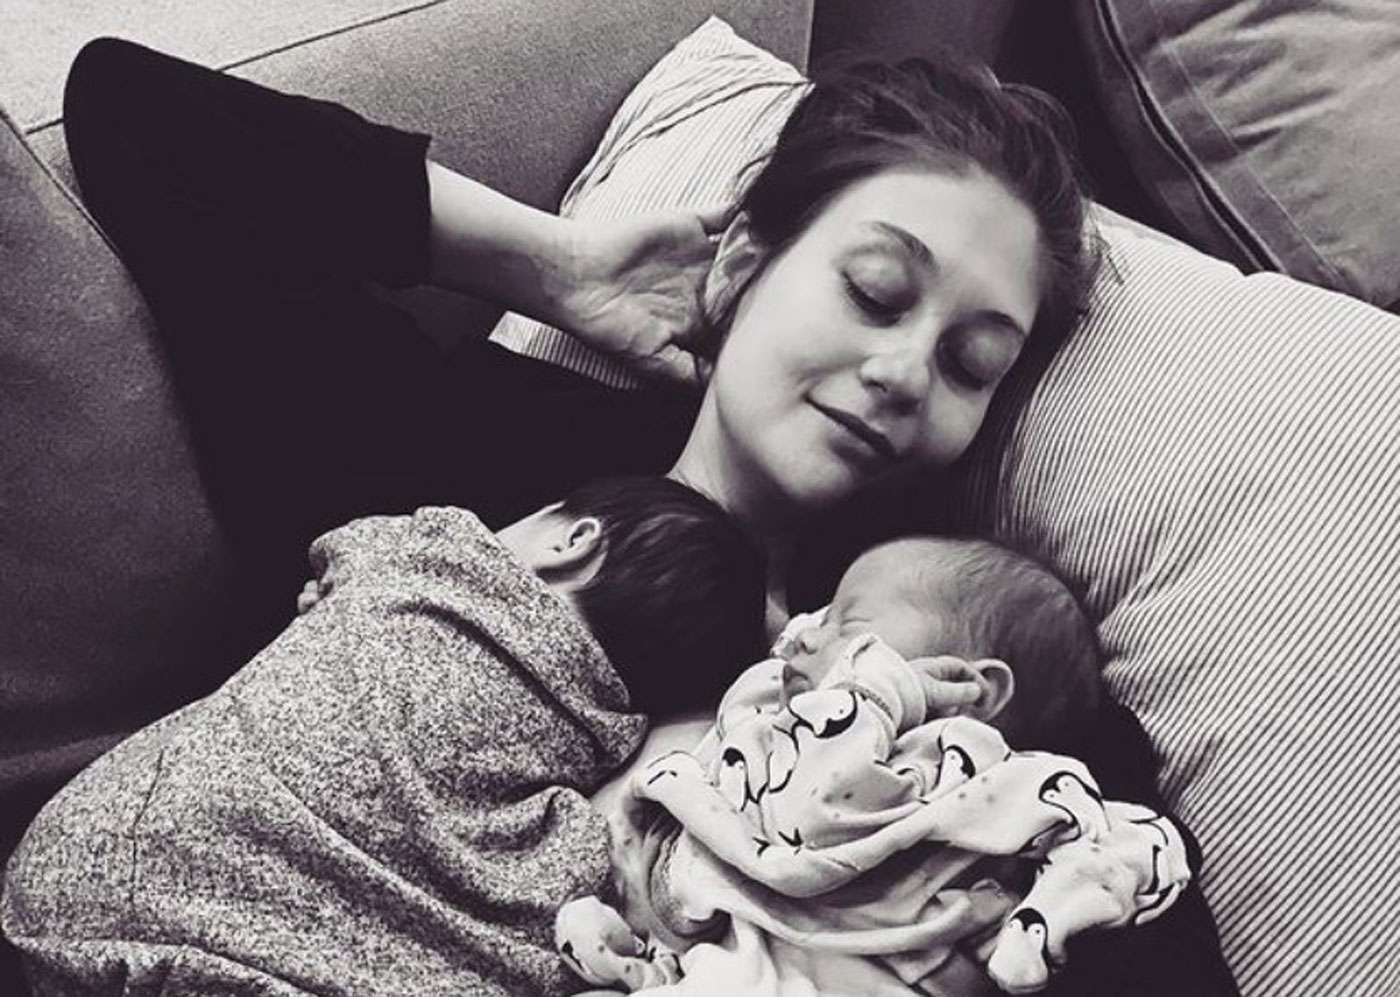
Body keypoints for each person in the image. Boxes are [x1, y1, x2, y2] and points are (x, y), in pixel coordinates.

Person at [7, 33, 1234, 997]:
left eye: (971, 363)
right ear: (743, 266)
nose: (906, 371)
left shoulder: (959, 656)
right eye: (873, 291)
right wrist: (552, 267)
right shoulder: (476, 458)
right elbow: (137, 117)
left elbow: (1121, 917)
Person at [1, 475, 767, 996]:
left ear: (573, 540)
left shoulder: (438, 556)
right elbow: (548, 871)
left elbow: (339, 548)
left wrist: (336, 589)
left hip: (103, 867)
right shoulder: (602, 737)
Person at [555, 537, 1194, 996]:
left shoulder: (949, 769)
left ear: (970, 691)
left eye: (848, 623)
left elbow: (816, 811)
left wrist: (884, 692)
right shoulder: (808, 733)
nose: (803, 633)